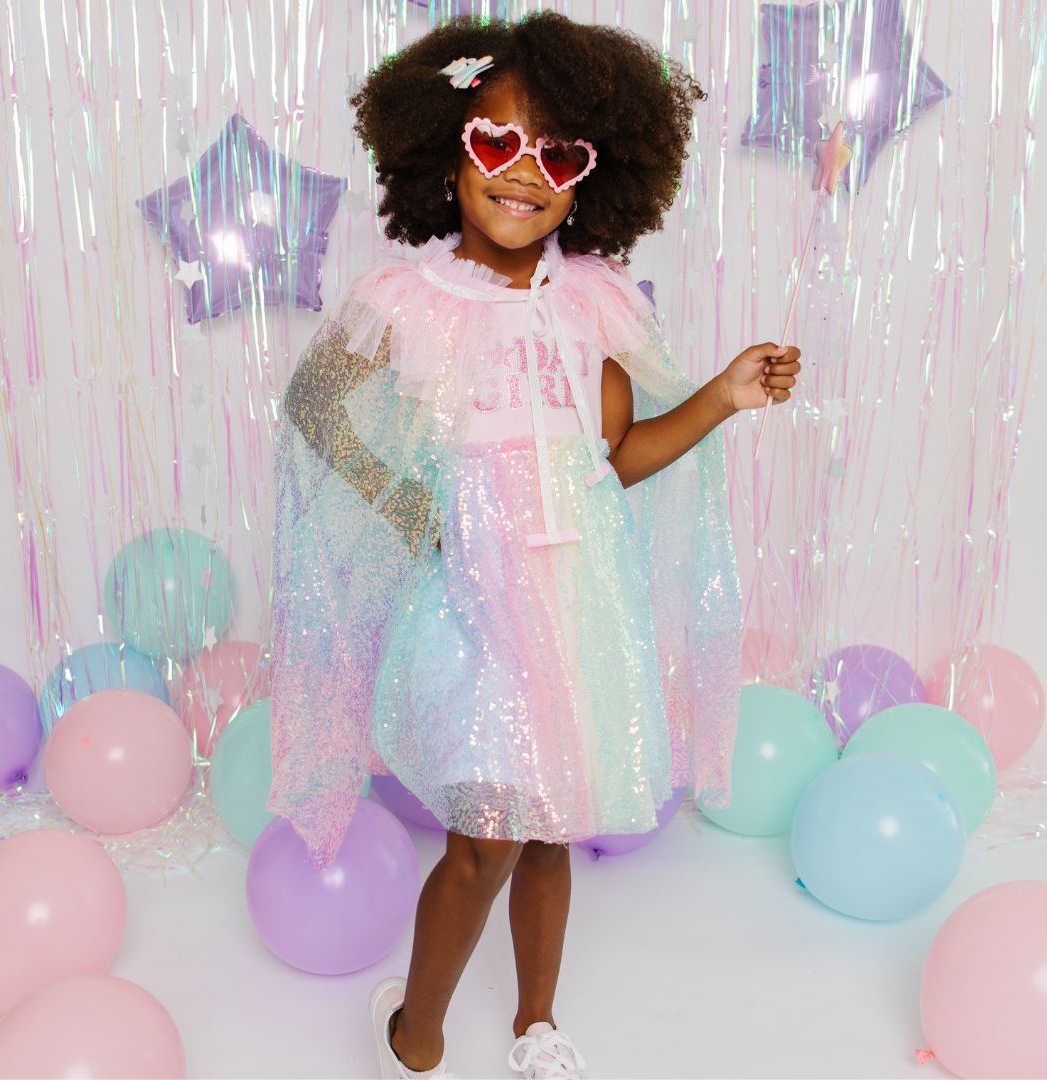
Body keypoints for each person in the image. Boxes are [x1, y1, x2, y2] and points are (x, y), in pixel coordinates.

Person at [267, 12, 800, 1080]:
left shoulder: (593, 303)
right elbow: (315, 402)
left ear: (591, 178)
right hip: (472, 605)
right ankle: (414, 1037)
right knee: (485, 839)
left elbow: (613, 459)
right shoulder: (406, 301)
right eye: (497, 141)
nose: (524, 173)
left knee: (554, 830)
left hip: (579, 603)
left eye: (557, 154)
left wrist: (723, 396)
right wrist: (403, 501)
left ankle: (536, 1023)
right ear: (446, 152)